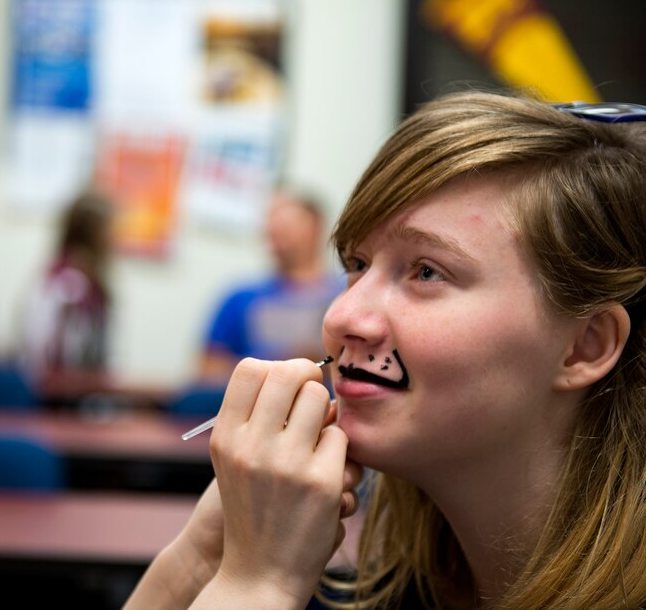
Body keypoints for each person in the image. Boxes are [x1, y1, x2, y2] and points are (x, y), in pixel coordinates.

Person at [127, 92, 646, 608]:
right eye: (356, 263)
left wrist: (259, 585)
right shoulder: (369, 590)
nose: (340, 317)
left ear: (584, 346)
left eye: (426, 272)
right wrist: (201, 556)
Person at [199, 186, 345, 380]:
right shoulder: (239, 298)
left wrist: (316, 362)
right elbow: (209, 371)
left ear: (316, 226)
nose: (273, 227)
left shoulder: (345, 296)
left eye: (286, 220)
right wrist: (277, 367)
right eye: (270, 219)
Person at [18, 190, 115, 397]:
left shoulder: (93, 283)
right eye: (110, 230)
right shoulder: (66, 284)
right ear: (92, 234)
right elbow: (41, 345)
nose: (114, 239)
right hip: (56, 395)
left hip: (81, 392)